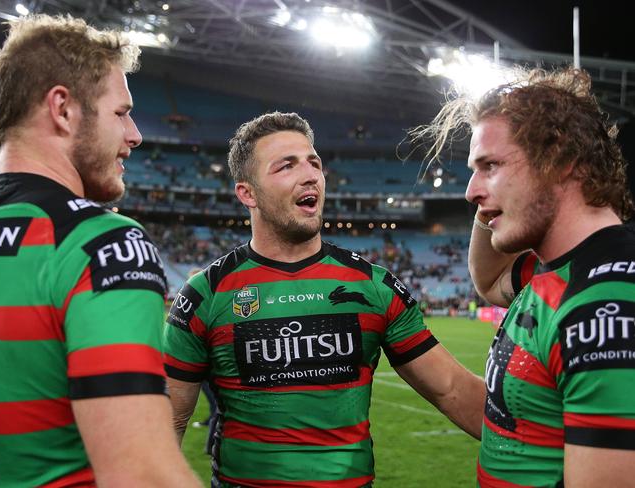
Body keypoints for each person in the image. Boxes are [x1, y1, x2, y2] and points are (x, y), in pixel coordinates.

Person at [163, 111, 485, 487]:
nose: (310, 174)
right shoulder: (206, 294)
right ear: (247, 193)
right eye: (286, 166)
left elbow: (452, 389)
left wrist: (553, 444)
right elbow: (168, 421)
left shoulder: (373, 286)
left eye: (314, 163)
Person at [0, 15, 201, 487]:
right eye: (121, 113)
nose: (135, 135)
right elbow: (143, 476)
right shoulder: (103, 243)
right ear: (63, 109)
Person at [415, 67, 635, 487]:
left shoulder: (606, 306)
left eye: (490, 165)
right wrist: (493, 196)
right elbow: (489, 278)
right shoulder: (556, 269)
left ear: (562, 161)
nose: (470, 192)